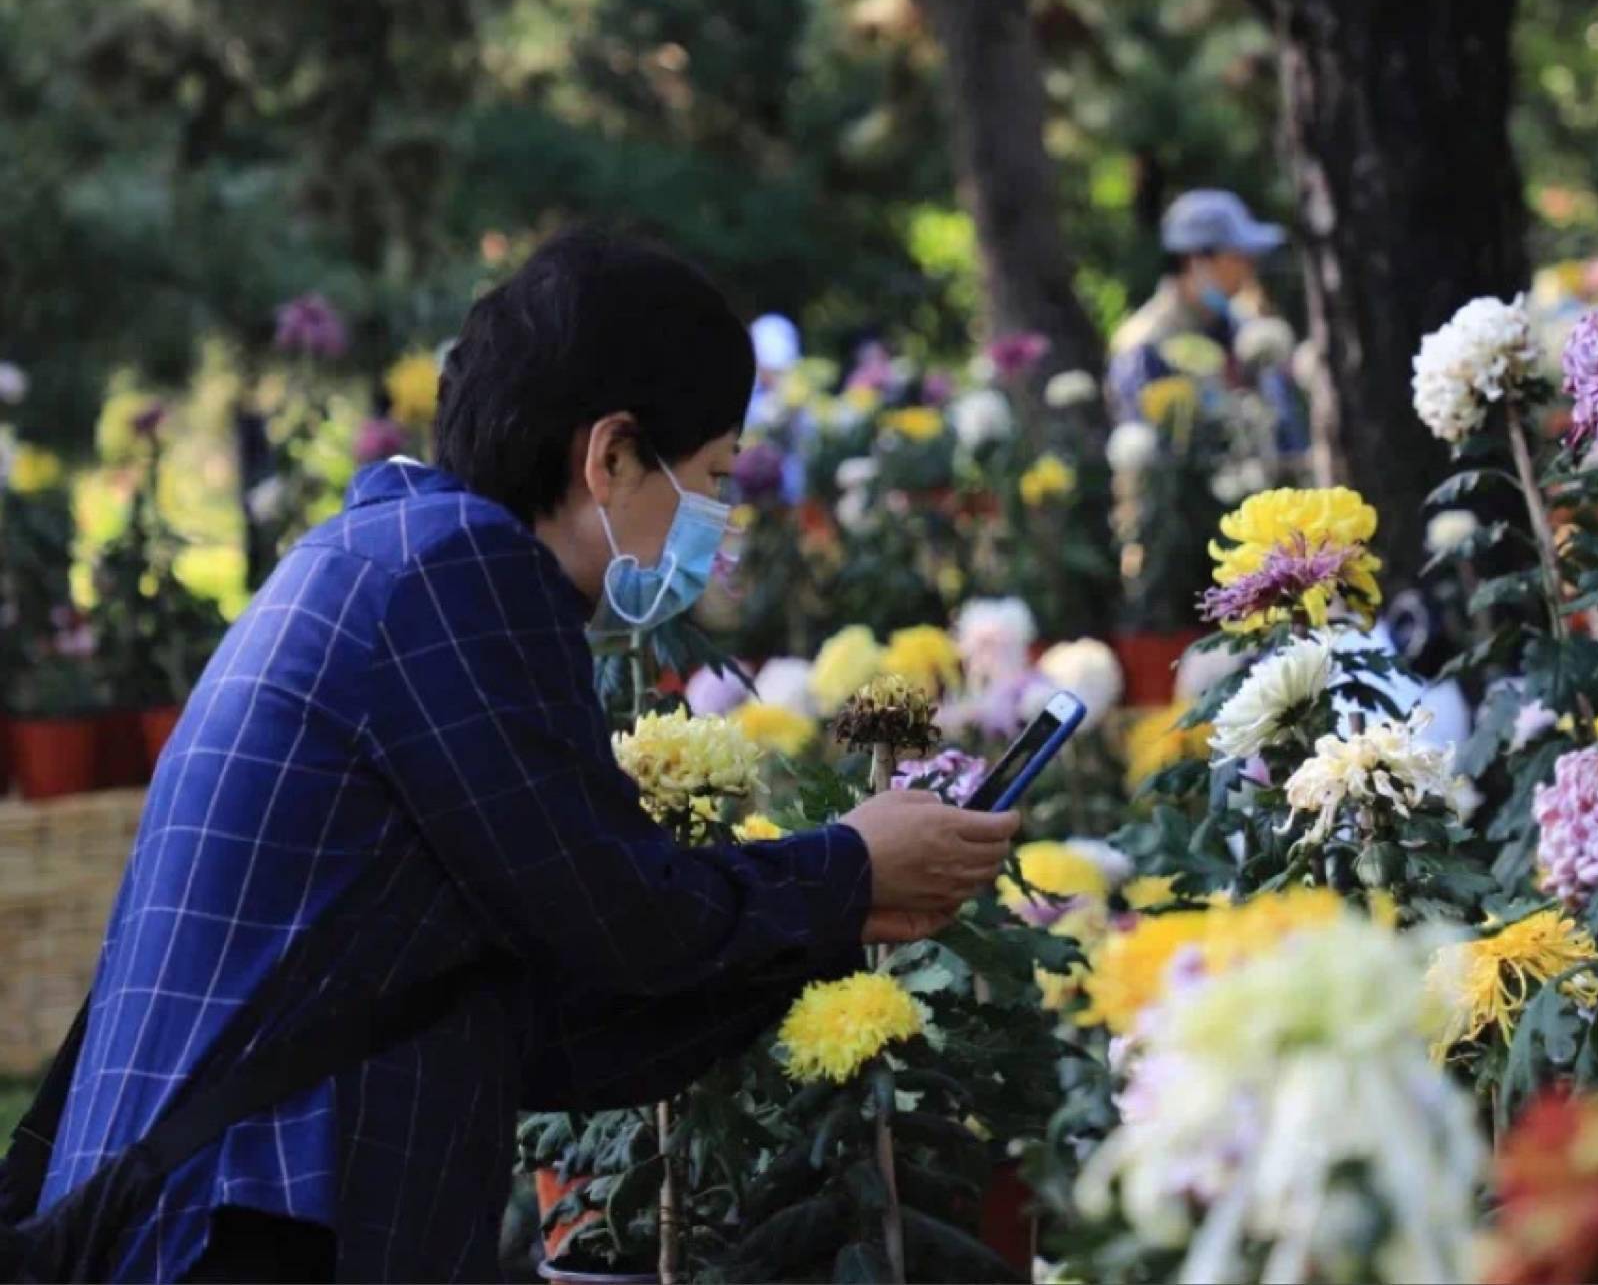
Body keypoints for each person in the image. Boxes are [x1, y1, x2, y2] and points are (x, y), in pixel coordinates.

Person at [13, 233, 1016, 1282]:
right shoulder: (459, 575)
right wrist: (849, 863)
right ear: (612, 454)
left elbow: (560, 1022)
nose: (717, 524)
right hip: (252, 1221)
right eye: (713, 476)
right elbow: (624, 919)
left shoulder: (381, 554)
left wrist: (844, 909)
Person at [1107, 186, 1309, 454]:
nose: (1249, 269)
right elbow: (1150, 452)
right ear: (1196, 260)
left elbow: (1285, 431)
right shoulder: (1145, 344)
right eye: (1238, 256)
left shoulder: (1244, 329)